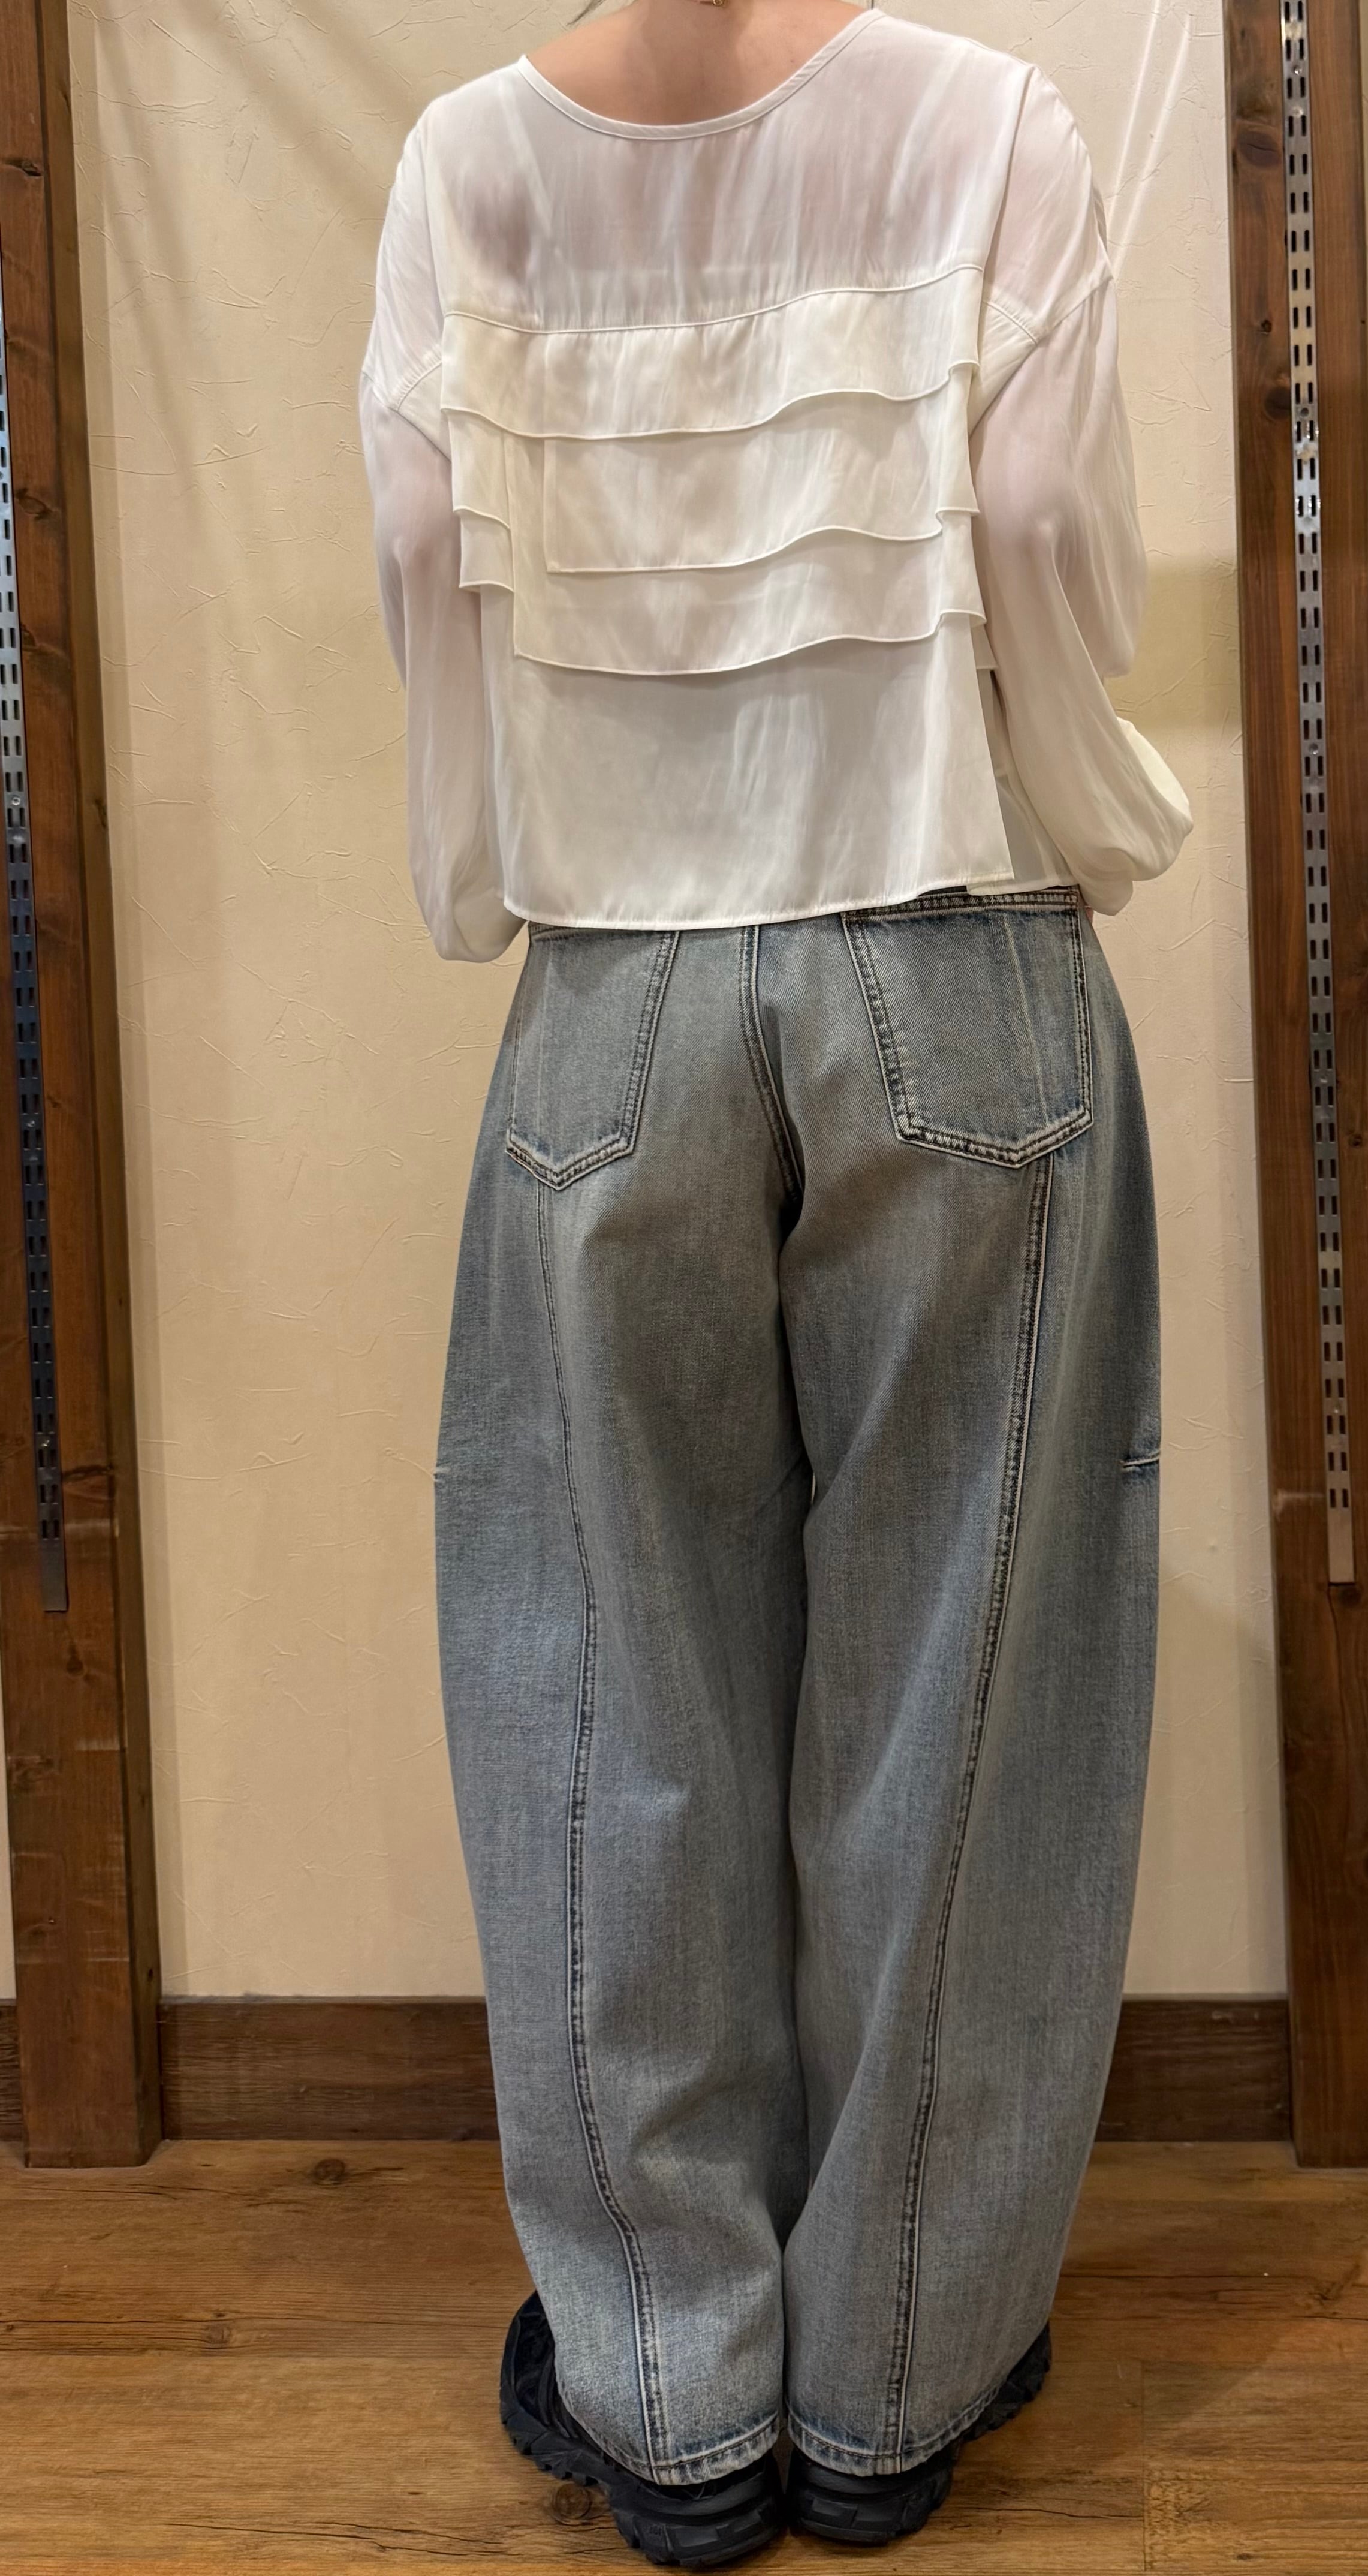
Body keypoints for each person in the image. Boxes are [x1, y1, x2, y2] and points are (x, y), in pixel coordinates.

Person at [357, 1, 1191, 2561]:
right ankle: (891, 2375)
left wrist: (494, 870)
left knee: (598, 1662)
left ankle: (671, 2389)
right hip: (957, 933)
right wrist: (1086, 801)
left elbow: (413, 559)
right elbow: (1032, 508)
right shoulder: (987, 125)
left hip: (615, 978)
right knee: (970, 1682)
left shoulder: (467, 168)